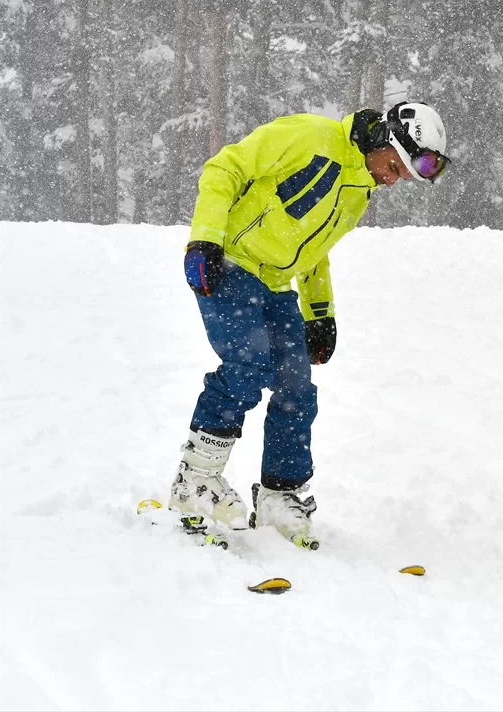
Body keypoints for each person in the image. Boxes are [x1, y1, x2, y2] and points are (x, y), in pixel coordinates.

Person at [170, 103, 450, 548]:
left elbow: (315, 250)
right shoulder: (307, 137)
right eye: (395, 167)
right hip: (231, 264)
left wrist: (320, 313)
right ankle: (195, 482)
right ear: (382, 142)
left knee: (296, 387)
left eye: (403, 176)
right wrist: (204, 239)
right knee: (247, 365)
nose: (394, 180)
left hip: (277, 285)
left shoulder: (359, 190)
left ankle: (280, 494)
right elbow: (224, 167)